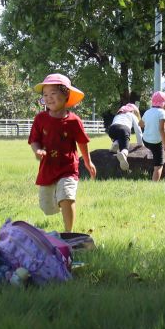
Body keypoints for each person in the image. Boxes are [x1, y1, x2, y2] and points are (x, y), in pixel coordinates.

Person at [29, 73, 96, 232]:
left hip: (68, 168)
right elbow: (34, 139)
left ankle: (68, 233)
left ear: (66, 94)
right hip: (48, 168)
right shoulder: (40, 119)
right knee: (47, 207)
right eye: (45, 95)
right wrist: (37, 150)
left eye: (53, 93)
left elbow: (82, 142)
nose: (49, 98)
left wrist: (87, 161)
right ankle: (58, 203)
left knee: (67, 197)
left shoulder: (74, 121)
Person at [141, 91, 165, 182]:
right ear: (163, 103)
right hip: (155, 142)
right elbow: (162, 129)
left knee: (152, 150)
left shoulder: (147, 112)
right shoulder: (162, 113)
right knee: (159, 166)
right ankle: (154, 185)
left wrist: (149, 124)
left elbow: (140, 124)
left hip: (145, 140)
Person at [108, 103, 144, 171]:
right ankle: (123, 154)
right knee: (124, 145)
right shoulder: (132, 115)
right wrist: (140, 143)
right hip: (124, 129)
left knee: (119, 136)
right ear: (133, 111)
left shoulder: (117, 115)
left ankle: (115, 143)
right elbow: (138, 130)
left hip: (111, 130)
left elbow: (114, 125)